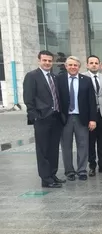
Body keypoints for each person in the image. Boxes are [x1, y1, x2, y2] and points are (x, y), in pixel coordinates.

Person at [23, 50, 64, 188]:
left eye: (49, 61)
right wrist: (35, 116)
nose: (47, 63)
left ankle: (52, 174)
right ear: (39, 61)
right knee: (43, 150)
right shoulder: (32, 76)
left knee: (53, 149)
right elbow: (28, 98)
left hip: (56, 118)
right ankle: (46, 179)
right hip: (42, 118)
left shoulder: (54, 77)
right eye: (44, 60)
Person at [57, 56, 97, 181]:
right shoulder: (59, 79)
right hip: (65, 118)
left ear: (79, 67)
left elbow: (92, 101)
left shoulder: (86, 80)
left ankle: (82, 170)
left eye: (75, 65)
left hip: (82, 118)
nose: (73, 67)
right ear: (66, 66)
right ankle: (69, 171)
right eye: (70, 65)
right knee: (66, 146)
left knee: (83, 145)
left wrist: (93, 119)